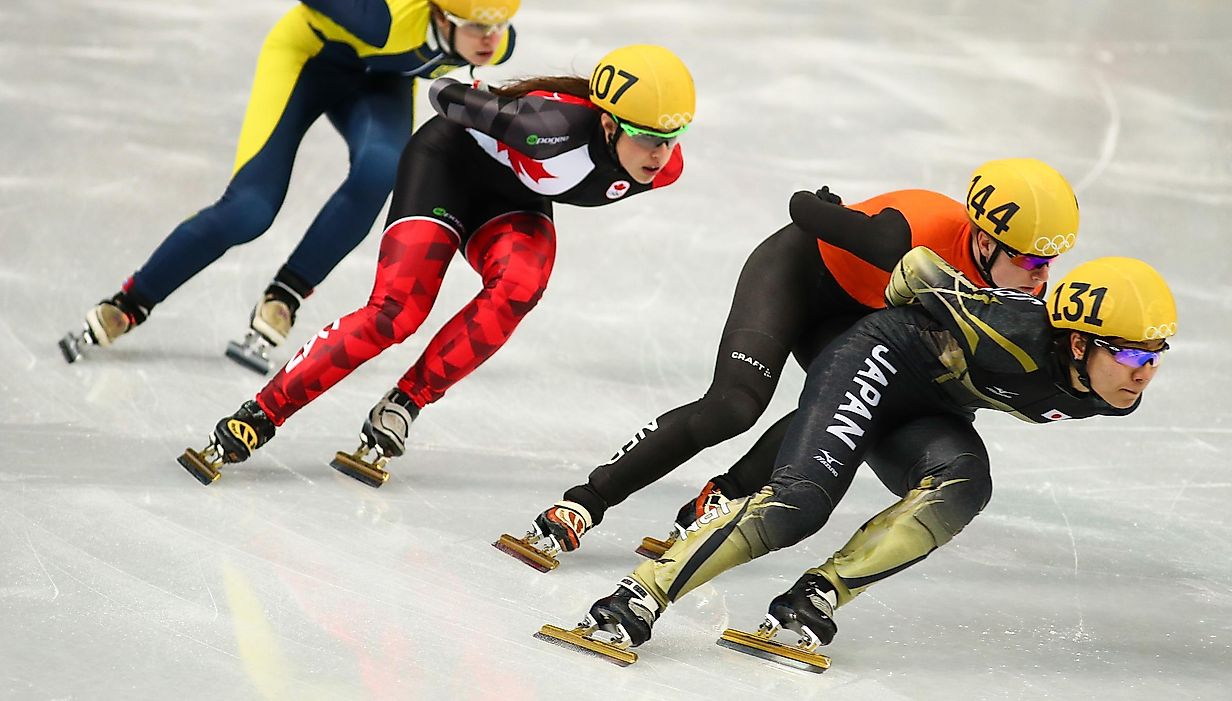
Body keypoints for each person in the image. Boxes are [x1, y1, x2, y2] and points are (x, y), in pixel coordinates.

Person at [537, 246, 1177, 670]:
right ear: (1076, 339)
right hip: (872, 364)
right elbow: (918, 278)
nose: (1142, 374)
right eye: (1128, 354)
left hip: (926, 409)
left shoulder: (1110, 395)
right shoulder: (1013, 328)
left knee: (965, 484)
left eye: (1153, 358)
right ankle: (636, 599)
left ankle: (815, 597)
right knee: (798, 507)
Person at [502, 158, 1080, 570]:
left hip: (857, 316)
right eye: (1030, 259)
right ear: (983, 240)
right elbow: (802, 210)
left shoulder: (1011, 281)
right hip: (795, 276)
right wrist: (829, 208)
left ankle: (717, 500)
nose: (1042, 274)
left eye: (1051, 260)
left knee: (844, 408)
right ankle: (583, 502)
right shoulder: (913, 236)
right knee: (734, 405)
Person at [177, 44, 698, 487]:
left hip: (512, 199)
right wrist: (483, 97)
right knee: (396, 313)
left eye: (671, 140)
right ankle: (261, 413)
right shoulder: (548, 126)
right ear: (608, 124)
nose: (660, 155)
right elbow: (442, 94)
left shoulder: (661, 167)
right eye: (649, 139)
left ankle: (404, 403)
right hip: (445, 168)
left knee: (520, 284)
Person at [59, 0, 522, 373]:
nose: (490, 39)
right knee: (249, 211)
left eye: (498, 25)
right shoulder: (377, 18)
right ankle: (130, 301)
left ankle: (285, 294)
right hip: (308, 60)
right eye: (477, 26)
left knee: (383, 168)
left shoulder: (496, 42)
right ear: (441, 16)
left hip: (377, 81)